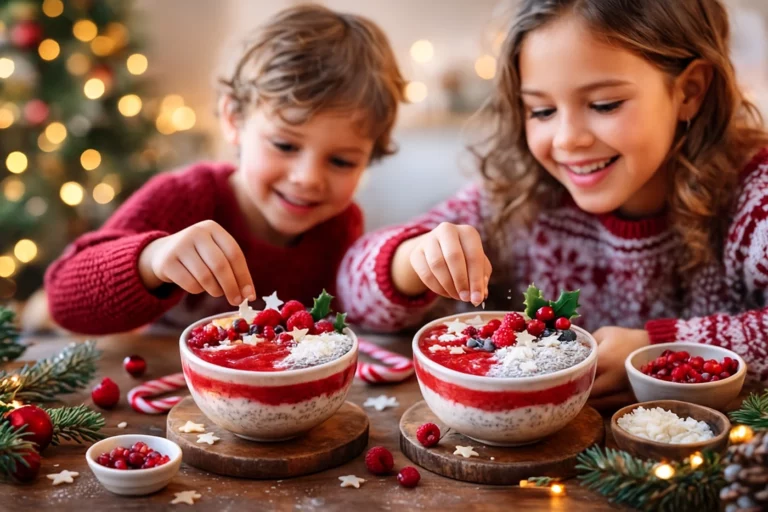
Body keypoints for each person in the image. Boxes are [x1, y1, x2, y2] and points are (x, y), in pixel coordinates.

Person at [336, 0, 768, 408]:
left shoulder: (753, 194)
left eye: (604, 104)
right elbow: (354, 289)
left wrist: (660, 348)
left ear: (689, 91)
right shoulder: (521, 195)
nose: (567, 139)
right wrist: (414, 259)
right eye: (542, 111)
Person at [45, 4, 405, 334]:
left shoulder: (341, 227)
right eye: (284, 145)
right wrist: (151, 260)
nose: (308, 178)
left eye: (341, 161)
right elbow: (62, 299)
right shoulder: (184, 197)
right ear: (234, 117)